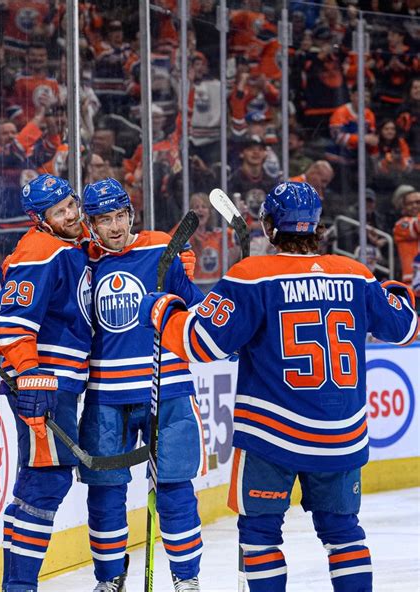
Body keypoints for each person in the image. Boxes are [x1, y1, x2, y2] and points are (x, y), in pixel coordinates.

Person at [139, 181, 419, 592]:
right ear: (317, 227)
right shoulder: (356, 274)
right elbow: (405, 326)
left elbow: (200, 343)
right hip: (341, 435)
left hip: (271, 437)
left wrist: (163, 309)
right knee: (344, 535)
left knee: (260, 534)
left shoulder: (251, 276)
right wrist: (392, 291)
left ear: (269, 227)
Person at [78, 178, 206, 592]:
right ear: (90, 223)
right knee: (104, 490)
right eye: (103, 220)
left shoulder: (161, 247)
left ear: (131, 214)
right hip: (104, 393)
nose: (114, 227)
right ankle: (110, 576)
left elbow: (195, 309)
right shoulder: (81, 259)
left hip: (166, 386)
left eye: (120, 216)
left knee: (174, 486)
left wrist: (186, 280)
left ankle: (186, 578)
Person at [0, 174, 92, 592]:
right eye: (60, 211)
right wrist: (31, 376)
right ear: (41, 219)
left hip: (56, 383)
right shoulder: (39, 251)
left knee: (33, 482)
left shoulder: (67, 246)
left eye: (71, 203)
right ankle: (19, 587)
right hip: (44, 385)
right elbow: (12, 327)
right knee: (47, 481)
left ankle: (14, 586)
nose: (71, 214)